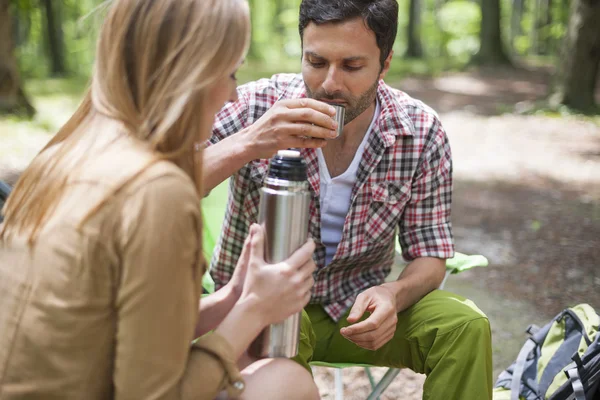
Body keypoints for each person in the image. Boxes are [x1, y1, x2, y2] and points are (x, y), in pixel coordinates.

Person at [0, 1, 320, 399]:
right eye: (231, 73)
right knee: (284, 382)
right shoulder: (156, 190)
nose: (234, 95)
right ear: (192, 76)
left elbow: (103, 327)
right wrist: (253, 310)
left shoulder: (63, 154)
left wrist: (231, 299)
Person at [204, 0, 493, 398]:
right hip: (262, 306)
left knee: (464, 326)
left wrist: (394, 294)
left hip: (357, 310)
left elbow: (430, 254)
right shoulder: (256, 106)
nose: (330, 84)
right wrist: (253, 141)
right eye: (316, 62)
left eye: (352, 66)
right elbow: (164, 185)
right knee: (283, 335)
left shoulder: (420, 131)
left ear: (385, 63)